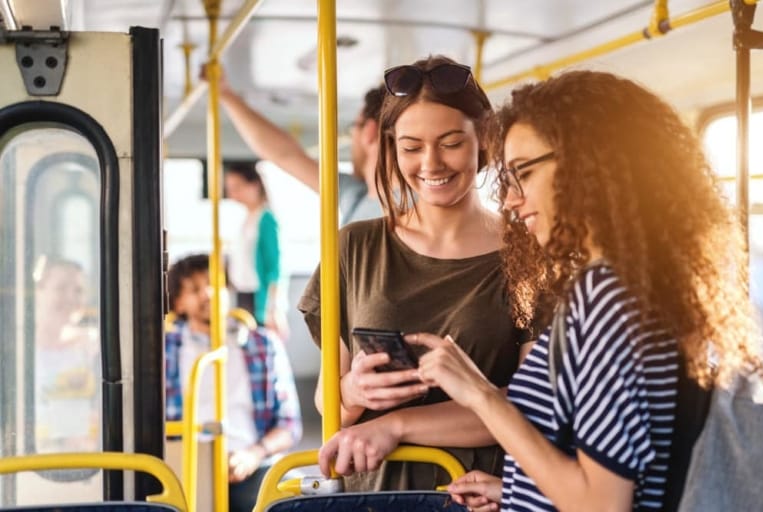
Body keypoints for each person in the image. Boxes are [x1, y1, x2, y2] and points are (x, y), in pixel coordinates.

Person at [409, 70, 763, 511]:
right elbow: (636, 467)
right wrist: (518, 491)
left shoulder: (607, 295)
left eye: (523, 173)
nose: (510, 200)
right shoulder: (653, 283)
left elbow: (601, 505)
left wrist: (481, 396)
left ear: (588, 164)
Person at [300, 55, 532, 491]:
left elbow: (525, 408)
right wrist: (351, 393)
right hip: (372, 491)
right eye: (411, 147)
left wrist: (397, 425)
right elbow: (327, 400)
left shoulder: (528, 252)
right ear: (390, 147)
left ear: (483, 138)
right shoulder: (354, 246)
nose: (431, 164)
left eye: (450, 143)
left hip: (479, 491)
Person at [165, 254, 302, 512]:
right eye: (195, 289)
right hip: (183, 467)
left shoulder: (263, 345)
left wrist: (253, 454)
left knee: (296, 500)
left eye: (214, 283)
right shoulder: (162, 350)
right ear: (178, 303)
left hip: (251, 465)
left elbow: (289, 425)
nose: (208, 293)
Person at [204, 67, 386, 225]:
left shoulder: (406, 207)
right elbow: (285, 154)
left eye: (354, 127)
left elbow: (285, 155)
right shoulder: (356, 194)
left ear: (369, 132)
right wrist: (225, 94)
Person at [34, 257, 100, 453]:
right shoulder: (20, 349)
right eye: (61, 288)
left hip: (85, 454)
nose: (71, 297)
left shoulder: (95, 345)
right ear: (39, 292)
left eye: (78, 290)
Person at [224, 162, 288, 339]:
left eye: (237, 187)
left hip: (258, 298)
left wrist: (273, 308)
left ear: (254, 185)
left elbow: (274, 266)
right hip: (243, 294)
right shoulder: (247, 219)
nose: (232, 194)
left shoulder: (266, 219)